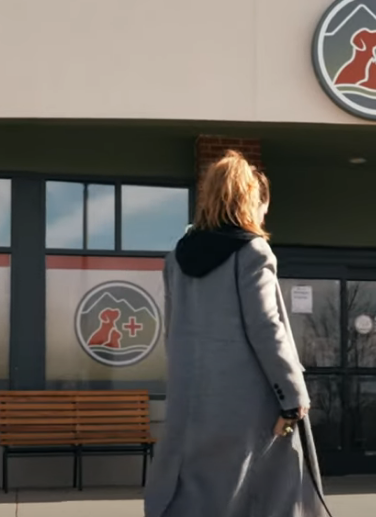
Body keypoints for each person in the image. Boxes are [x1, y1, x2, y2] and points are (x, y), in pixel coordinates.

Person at [143, 150, 331, 517]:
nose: (264, 214)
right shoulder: (252, 252)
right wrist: (293, 395)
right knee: (266, 495)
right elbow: (266, 326)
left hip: (191, 402)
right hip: (248, 405)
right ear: (249, 200)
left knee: (196, 495)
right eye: (263, 205)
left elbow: (172, 332)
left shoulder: (177, 257)